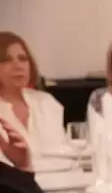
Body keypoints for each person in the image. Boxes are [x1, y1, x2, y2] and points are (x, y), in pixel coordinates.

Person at [0, 32, 65, 161]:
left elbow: (66, 153)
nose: (18, 66)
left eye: (23, 58)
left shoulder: (47, 102)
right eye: (6, 60)